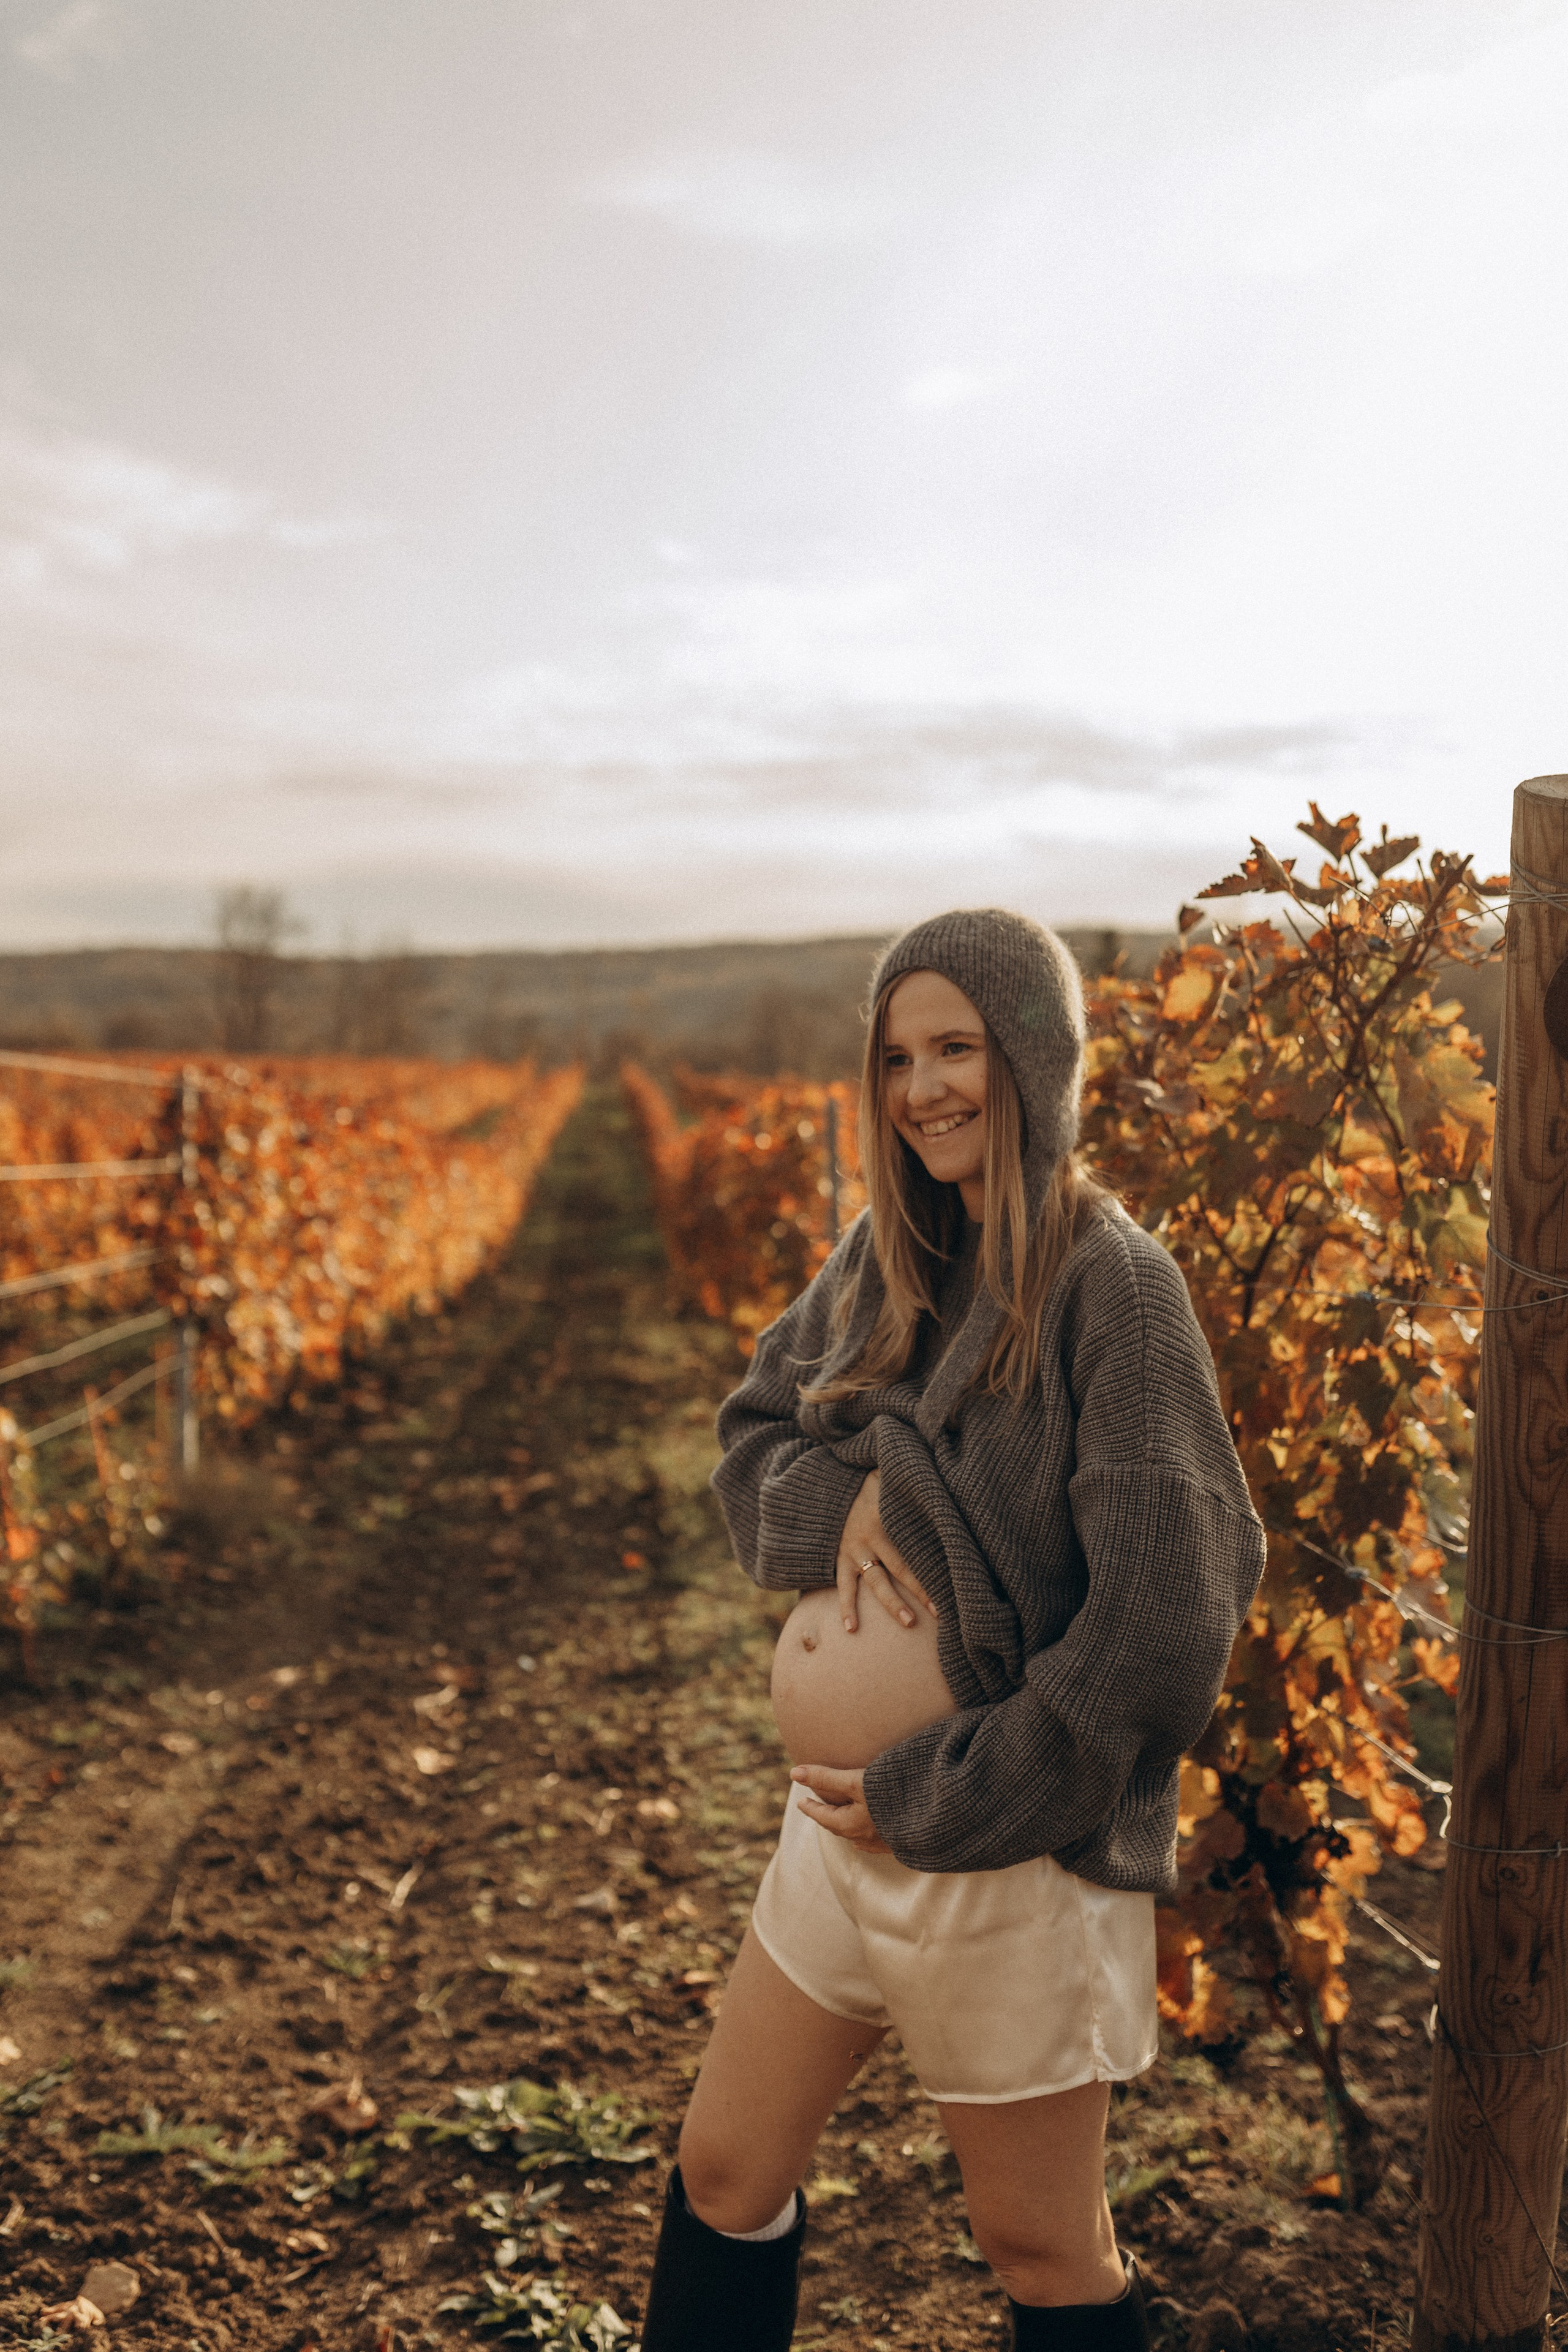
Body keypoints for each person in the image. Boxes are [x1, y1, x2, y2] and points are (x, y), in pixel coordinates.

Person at [638, 908, 1265, 2351]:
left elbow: (1167, 1616)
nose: (921, 1087)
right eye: (896, 1055)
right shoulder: (886, 1256)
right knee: (724, 2172)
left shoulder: (1114, 1288)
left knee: (1039, 2248)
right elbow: (749, 1438)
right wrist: (847, 1496)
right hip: (830, 1834)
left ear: (1030, 1063)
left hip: (1001, 1846)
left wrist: (949, 1789)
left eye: (956, 1049)